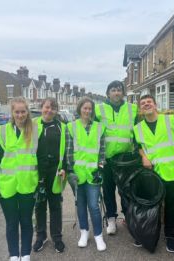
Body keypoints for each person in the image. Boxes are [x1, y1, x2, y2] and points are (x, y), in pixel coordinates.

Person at [133, 94, 174, 253]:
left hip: (173, 172)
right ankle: (147, 233)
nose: (146, 105)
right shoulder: (138, 128)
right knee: (150, 205)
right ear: (140, 109)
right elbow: (138, 145)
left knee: (171, 207)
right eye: (143, 103)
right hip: (153, 174)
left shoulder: (170, 120)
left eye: (149, 102)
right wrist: (144, 157)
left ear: (155, 105)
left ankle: (170, 236)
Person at [0, 97, 39, 261]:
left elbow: (42, 158)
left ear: (27, 112)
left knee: (26, 221)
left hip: (28, 184)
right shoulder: (1, 131)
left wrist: (42, 183)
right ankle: (14, 254)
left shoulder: (36, 131)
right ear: (12, 112)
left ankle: (25, 254)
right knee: (11, 222)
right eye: (17, 111)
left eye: (23, 111)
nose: (20, 114)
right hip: (6, 185)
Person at [94, 80, 137, 235]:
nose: (116, 93)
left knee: (126, 190)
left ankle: (127, 217)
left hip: (126, 159)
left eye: (119, 90)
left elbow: (139, 131)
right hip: (106, 158)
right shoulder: (98, 109)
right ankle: (111, 219)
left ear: (123, 93)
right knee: (108, 190)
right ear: (108, 93)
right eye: (113, 90)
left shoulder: (132, 109)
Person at [66, 97, 107, 251]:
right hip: (77, 174)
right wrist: (70, 171)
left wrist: (101, 169)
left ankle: (98, 236)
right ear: (79, 109)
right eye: (85, 108)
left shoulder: (99, 128)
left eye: (90, 109)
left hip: (93, 174)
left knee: (93, 206)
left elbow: (102, 153)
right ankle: (84, 232)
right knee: (81, 205)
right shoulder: (71, 127)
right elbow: (68, 152)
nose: (87, 111)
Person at [33, 97, 66, 253]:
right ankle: (41, 236)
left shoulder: (62, 127)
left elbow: (66, 150)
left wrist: (64, 167)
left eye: (53, 108)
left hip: (55, 172)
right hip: (37, 171)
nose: (49, 110)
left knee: (55, 206)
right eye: (47, 107)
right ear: (41, 107)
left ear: (56, 110)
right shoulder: (32, 125)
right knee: (39, 205)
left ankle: (57, 237)